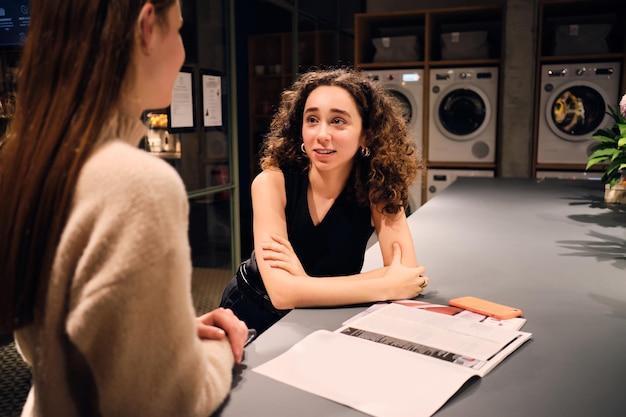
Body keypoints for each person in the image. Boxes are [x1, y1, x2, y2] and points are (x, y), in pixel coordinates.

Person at [0, 1, 248, 416]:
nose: (183, 50)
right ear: (147, 27)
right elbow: (168, 402)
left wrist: (169, 335)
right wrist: (221, 348)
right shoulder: (138, 184)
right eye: (180, 30)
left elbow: (60, 336)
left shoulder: (25, 163)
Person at [220, 68, 429, 334]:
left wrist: (303, 284)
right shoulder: (271, 183)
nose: (321, 134)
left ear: (367, 134)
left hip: (324, 317)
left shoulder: (380, 188)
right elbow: (282, 293)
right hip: (252, 313)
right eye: (312, 120)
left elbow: (408, 274)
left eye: (338, 121)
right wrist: (385, 283)